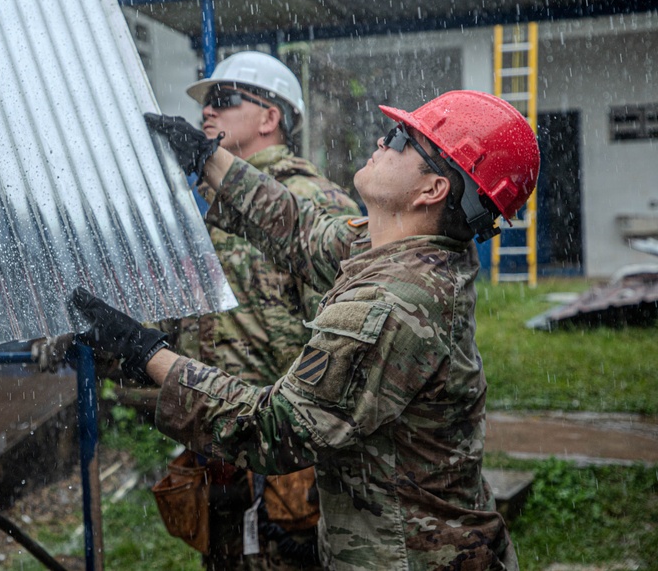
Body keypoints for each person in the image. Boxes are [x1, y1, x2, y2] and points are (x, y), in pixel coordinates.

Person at [72, 90, 540, 570]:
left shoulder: (390, 304)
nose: (384, 138)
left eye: (404, 138)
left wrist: (145, 350)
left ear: (433, 190)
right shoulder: (411, 250)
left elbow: (273, 429)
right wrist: (208, 159)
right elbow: (303, 232)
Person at [162, 51, 357, 570]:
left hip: (291, 469)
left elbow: (345, 359)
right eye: (206, 104)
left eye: (223, 101)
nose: (208, 113)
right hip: (225, 454)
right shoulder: (211, 210)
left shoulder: (318, 205)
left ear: (270, 117)